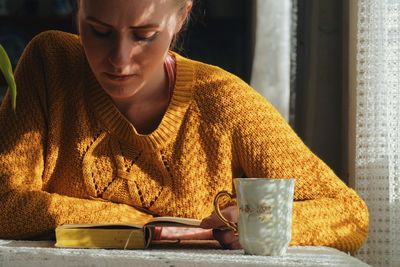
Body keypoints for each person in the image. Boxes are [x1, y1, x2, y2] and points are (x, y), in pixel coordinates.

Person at [0, 0, 368, 252]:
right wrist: (147, 224)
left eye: (144, 35)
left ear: (180, 17)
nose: (119, 59)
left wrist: (256, 221)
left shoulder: (223, 101)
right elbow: (4, 203)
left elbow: (349, 215)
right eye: (98, 31)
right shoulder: (49, 63)